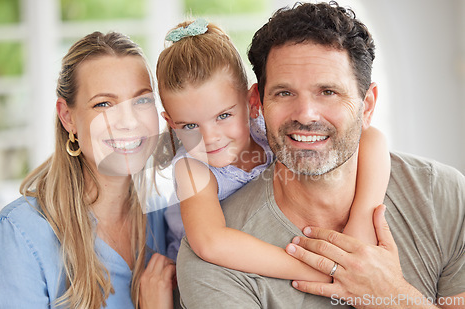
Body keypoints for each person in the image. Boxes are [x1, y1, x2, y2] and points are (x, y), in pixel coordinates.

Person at [175, 2, 465, 308]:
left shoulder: (442, 195)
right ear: (258, 104)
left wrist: (392, 296)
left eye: (328, 91)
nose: (306, 114)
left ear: (366, 106)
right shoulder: (214, 263)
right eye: (284, 93)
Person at [156, 18, 390, 282]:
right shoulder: (192, 168)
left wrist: (362, 218)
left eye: (223, 116)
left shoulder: (265, 126)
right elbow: (210, 242)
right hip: (212, 269)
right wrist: (324, 272)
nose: (209, 138)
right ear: (170, 123)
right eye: (189, 125)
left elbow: (372, 138)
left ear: (252, 102)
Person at [0, 31, 177, 309]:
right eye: (104, 104)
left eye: (142, 100)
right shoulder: (17, 235)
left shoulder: (163, 219)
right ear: (68, 117)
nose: (129, 122)